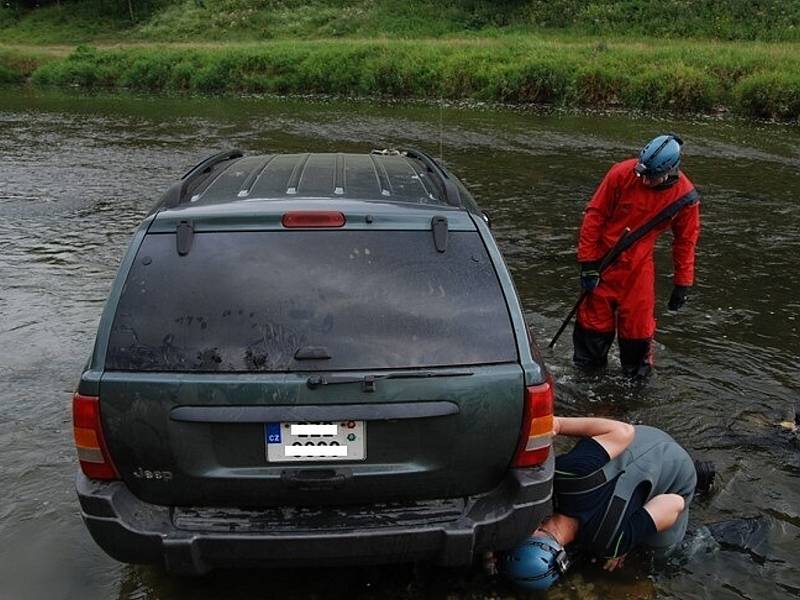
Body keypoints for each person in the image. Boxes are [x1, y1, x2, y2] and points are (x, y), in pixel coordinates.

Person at [501, 416, 715, 591]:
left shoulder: (611, 542)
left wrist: (629, 539)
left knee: (662, 560)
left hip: (679, 475)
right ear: (535, 529)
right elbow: (623, 432)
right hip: (645, 434)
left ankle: (697, 477)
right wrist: (557, 424)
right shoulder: (564, 476)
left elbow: (675, 502)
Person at [573, 134, 700, 377]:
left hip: (638, 269)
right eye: (641, 173)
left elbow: (685, 242)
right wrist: (588, 263)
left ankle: (634, 395)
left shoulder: (685, 198)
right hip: (603, 264)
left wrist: (682, 283)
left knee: (637, 335)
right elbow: (594, 216)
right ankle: (586, 385)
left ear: (670, 171)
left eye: (649, 177)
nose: (643, 180)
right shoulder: (622, 173)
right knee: (592, 333)